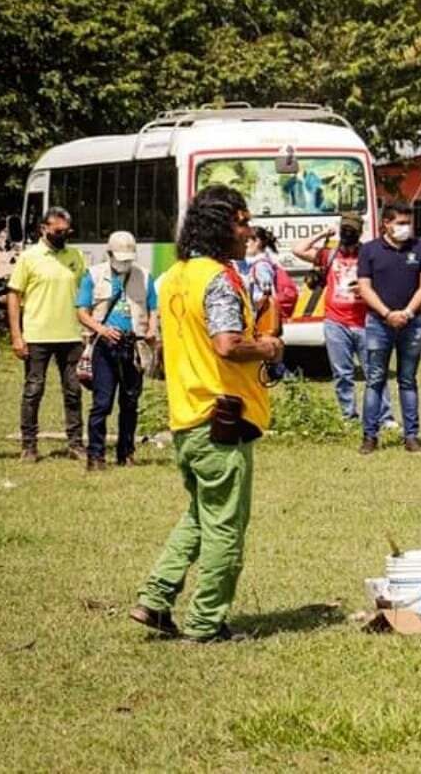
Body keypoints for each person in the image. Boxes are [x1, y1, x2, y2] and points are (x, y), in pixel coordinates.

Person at [130, 185, 284, 642]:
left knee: (200, 516)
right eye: (242, 221)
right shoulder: (217, 277)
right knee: (226, 528)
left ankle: (155, 600)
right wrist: (269, 347)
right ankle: (206, 623)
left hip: (187, 418)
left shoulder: (175, 276)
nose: (249, 230)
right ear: (221, 227)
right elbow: (227, 344)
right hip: (221, 419)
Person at [293, 213, 394, 426]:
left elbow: (384, 281)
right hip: (335, 323)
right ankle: (348, 415)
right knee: (342, 373)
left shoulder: (368, 255)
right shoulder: (329, 254)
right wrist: (323, 233)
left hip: (365, 321)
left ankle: (384, 417)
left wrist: (366, 288)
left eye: (351, 231)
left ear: (359, 233)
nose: (347, 235)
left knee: (374, 371)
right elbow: (298, 250)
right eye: (344, 230)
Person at [6, 206, 87, 463]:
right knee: (33, 390)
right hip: (37, 335)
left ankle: (75, 443)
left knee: (73, 390)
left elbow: (84, 293)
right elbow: (13, 295)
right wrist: (17, 336)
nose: (64, 235)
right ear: (44, 229)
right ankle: (29, 445)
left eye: (67, 231)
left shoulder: (76, 256)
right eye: (58, 231)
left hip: (71, 335)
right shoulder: (29, 258)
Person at [76, 231, 158, 471]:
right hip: (105, 346)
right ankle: (96, 455)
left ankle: (126, 452)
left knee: (130, 402)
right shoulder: (93, 275)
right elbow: (82, 311)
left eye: (127, 258)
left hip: (134, 346)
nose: (124, 262)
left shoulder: (144, 276)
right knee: (102, 403)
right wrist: (101, 329)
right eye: (119, 258)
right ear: (109, 254)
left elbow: (153, 307)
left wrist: (152, 328)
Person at [357, 202, 421, 454]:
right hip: (379, 323)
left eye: (407, 223)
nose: (405, 228)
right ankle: (370, 436)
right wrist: (387, 313)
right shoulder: (369, 250)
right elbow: (365, 287)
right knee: (375, 379)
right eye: (400, 223)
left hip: (412, 323)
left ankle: (411, 436)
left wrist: (408, 312)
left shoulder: (419, 248)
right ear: (386, 224)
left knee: (408, 380)